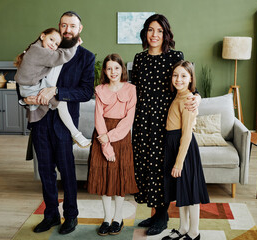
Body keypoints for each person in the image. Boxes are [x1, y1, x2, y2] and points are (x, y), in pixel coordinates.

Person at [21, 11, 95, 235]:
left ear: (79, 29)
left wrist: (58, 91)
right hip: (40, 121)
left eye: (72, 26)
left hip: (64, 124)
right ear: (58, 27)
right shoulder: (44, 49)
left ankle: (71, 216)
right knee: (46, 171)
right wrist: (24, 98)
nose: (67, 30)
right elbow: (24, 73)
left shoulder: (86, 57)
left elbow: (85, 92)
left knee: (67, 171)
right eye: (64, 25)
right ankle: (51, 215)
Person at [131, 14, 201, 236]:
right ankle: (155, 214)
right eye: (151, 30)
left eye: (159, 31)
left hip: (165, 122)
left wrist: (197, 98)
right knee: (145, 166)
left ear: (165, 34)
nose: (154, 35)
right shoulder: (139, 58)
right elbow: (134, 91)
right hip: (142, 120)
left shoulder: (174, 56)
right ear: (145, 33)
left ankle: (162, 216)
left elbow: (187, 82)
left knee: (160, 169)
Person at [87, 54, 139, 236]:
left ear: (122, 69)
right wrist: (105, 145)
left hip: (121, 136)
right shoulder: (100, 89)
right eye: (109, 68)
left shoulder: (131, 89)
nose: (113, 72)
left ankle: (118, 218)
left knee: (120, 179)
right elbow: (98, 118)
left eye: (116, 68)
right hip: (102, 137)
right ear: (105, 71)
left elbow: (128, 120)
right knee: (104, 179)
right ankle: (107, 218)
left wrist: (110, 137)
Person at [14, 27, 91, 148]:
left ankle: (75, 133)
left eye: (56, 44)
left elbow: (86, 92)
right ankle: (75, 134)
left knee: (60, 102)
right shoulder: (38, 51)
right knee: (61, 103)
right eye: (51, 39)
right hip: (30, 88)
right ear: (42, 36)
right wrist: (75, 46)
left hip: (29, 86)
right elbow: (60, 57)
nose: (53, 45)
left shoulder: (36, 48)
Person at [162, 60, 209, 240]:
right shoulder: (178, 95)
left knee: (190, 192)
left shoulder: (189, 99)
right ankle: (183, 228)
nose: (178, 79)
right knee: (181, 191)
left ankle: (194, 232)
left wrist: (179, 162)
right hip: (173, 145)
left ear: (190, 78)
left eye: (183, 76)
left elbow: (187, 134)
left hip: (185, 149)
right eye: (175, 75)